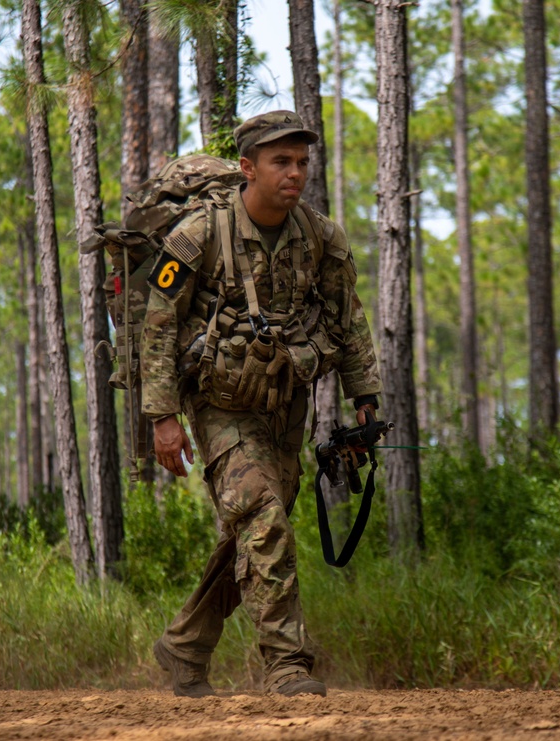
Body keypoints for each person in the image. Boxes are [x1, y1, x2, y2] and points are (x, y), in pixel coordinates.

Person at [141, 110, 382, 698]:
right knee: (264, 517)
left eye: (302, 161)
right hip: (218, 402)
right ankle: (286, 664)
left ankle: (183, 646)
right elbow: (158, 324)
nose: (295, 172)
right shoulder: (197, 235)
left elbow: (349, 320)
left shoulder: (322, 237)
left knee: (251, 529)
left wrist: (365, 398)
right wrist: (163, 417)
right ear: (248, 168)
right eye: (281, 162)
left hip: (284, 404)